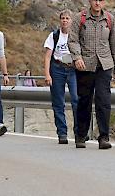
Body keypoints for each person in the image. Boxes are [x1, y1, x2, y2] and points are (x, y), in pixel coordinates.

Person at [68, 0, 115, 149]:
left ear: (104, 2)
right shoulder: (80, 18)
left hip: (104, 66)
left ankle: (104, 137)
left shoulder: (109, 19)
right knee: (84, 101)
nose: (97, 3)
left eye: (100, 0)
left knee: (103, 101)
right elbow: (72, 40)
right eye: (95, 0)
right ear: (90, 1)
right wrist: (77, 57)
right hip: (85, 66)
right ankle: (81, 135)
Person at [44, 9, 79, 145]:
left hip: (72, 69)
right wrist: (47, 74)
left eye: (67, 18)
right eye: (63, 18)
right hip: (57, 68)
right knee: (58, 102)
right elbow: (47, 56)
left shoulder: (76, 36)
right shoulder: (54, 36)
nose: (65, 20)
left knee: (76, 99)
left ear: (71, 21)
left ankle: (79, 132)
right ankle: (62, 133)